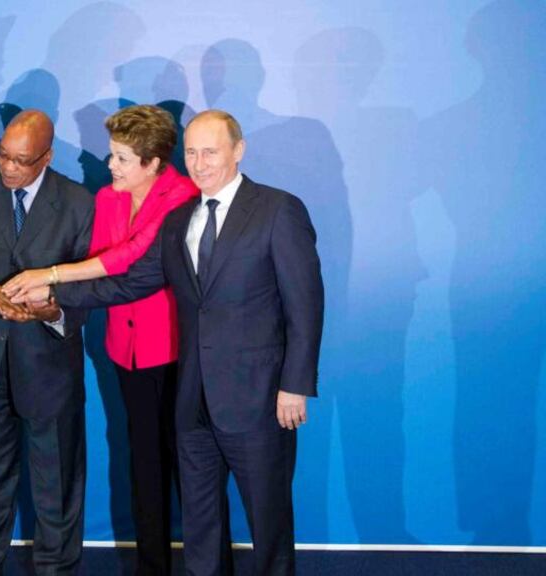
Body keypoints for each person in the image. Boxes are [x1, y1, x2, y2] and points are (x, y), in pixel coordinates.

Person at [17, 110, 323, 576]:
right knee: (200, 526)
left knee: (269, 525)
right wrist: (54, 292)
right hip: (192, 401)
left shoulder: (278, 209)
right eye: (193, 152)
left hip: (257, 400)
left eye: (211, 152)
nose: (200, 163)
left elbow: (305, 305)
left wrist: (294, 386)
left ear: (238, 151)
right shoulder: (180, 219)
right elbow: (130, 283)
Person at [3, 104, 197, 576]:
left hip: (175, 351)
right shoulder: (108, 199)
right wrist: (53, 296)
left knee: (191, 467)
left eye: (122, 158)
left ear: (153, 163)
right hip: (124, 352)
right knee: (144, 462)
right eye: (112, 155)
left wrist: (49, 276)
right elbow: (98, 269)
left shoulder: (182, 195)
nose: (109, 166)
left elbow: (131, 260)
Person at [0, 109, 94, 574]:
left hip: (50, 366)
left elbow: (92, 283)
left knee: (55, 486)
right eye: (2, 156)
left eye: (22, 160)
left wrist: (53, 309)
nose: (9, 168)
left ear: (47, 157)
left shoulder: (79, 203)